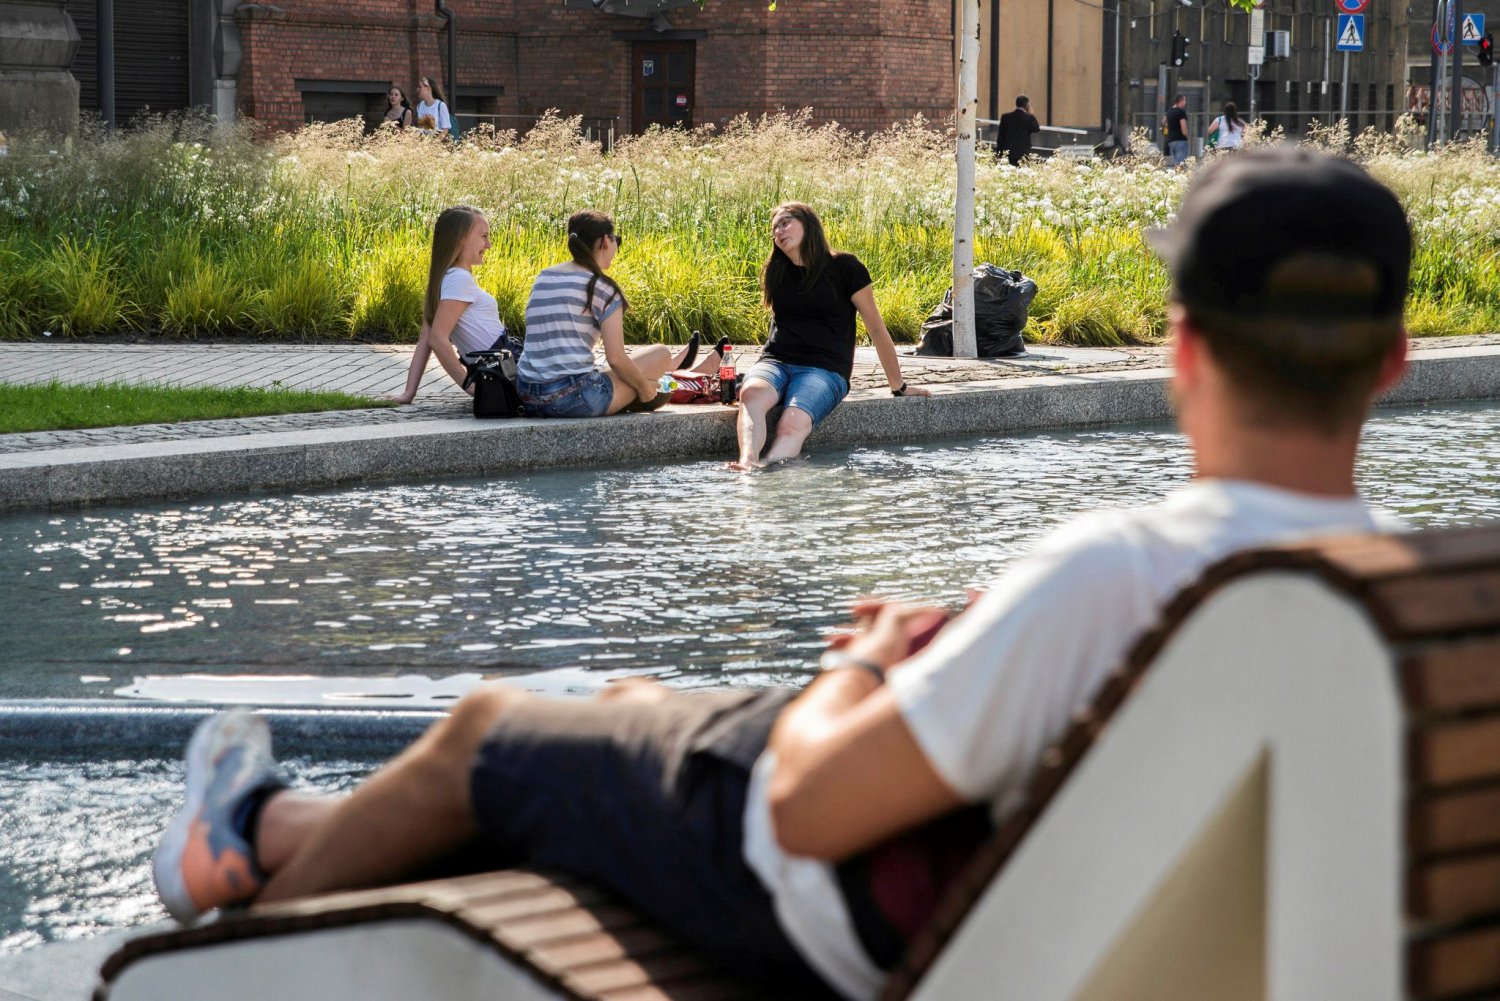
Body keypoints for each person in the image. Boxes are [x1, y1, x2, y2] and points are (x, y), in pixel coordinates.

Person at [153, 147, 1411, 1001]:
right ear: (1396, 360)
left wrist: (869, 657)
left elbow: (808, 812)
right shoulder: (1406, 595)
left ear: (1184, 351)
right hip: (1059, 909)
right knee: (616, 702)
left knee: (496, 727)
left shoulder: (1128, 573)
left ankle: (237, 867)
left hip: (824, 897)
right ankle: (276, 828)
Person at [731, 202, 929, 471]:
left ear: (808, 224)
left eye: (786, 222)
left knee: (791, 423)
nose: (778, 231)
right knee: (751, 393)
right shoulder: (776, 272)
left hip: (824, 369)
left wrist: (899, 386)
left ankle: (770, 472)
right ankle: (747, 463)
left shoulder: (846, 268)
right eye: (775, 228)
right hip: (776, 362)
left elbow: (876, 328)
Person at [515, 209, 720, 418]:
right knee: (660, 358)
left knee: (639, 377)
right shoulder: (600, 287)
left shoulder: (544, 277)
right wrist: (644, 389)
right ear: (605, 241)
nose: (616, 247)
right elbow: (616, 358)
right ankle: (662, 380)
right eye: (616, 240)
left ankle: (664, 376)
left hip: (527, 395)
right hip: (573, 399)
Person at [389, 205, 513, 404]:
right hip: (501, 365)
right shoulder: (458, 280)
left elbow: (426, 337)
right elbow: (436, 338)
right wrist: (470, 387)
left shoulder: (446, 279)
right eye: (483, 236)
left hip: (501, 364)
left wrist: (409, 392)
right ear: (460, 239)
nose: (488, 244)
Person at [997, 95, 1040, 166]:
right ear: (1027, 106)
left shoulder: (1006, 117)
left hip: (1008, 150)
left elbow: (1000, 135)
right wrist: (1031, 115)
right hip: (1023, 151)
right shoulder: (1028, 118)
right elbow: (1036, 129)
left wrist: (999, 151)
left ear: (1016, 104)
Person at [1163, 94, 1190, 166]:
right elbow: (1183, 127)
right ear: (1180, 101)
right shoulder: (1181, 112)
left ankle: (1176, 175)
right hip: (1180, 140)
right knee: (1180, 162)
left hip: (1171, 140)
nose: (1185, 103)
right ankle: (1179, 175)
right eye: (1184, 101)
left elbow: (1163, 122)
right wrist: (1187, 137)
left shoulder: (1169, 112)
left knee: (1175, 160)